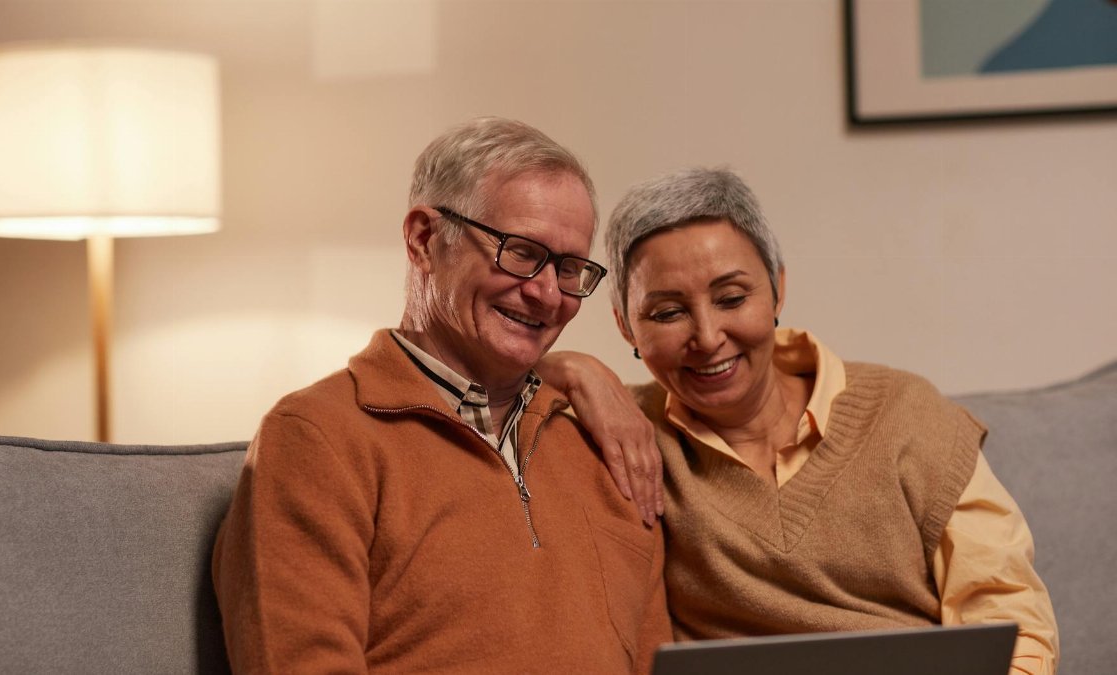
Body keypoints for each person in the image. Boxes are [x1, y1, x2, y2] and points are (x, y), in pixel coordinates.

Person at [543, 167, 1059, 675]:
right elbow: (481, 389)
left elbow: (1008, 614)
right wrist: (572, 367)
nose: (707, 336)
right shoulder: (625, 435)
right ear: (624, 326)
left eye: (732, 299)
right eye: (667, 313)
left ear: (777, 290)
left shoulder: (908, 412)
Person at [211, 117, 671, 674]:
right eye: (521, 252)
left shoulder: (612, 449)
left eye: (570, 268)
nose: (548, 293)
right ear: (424, 239)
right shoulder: (317, 439)